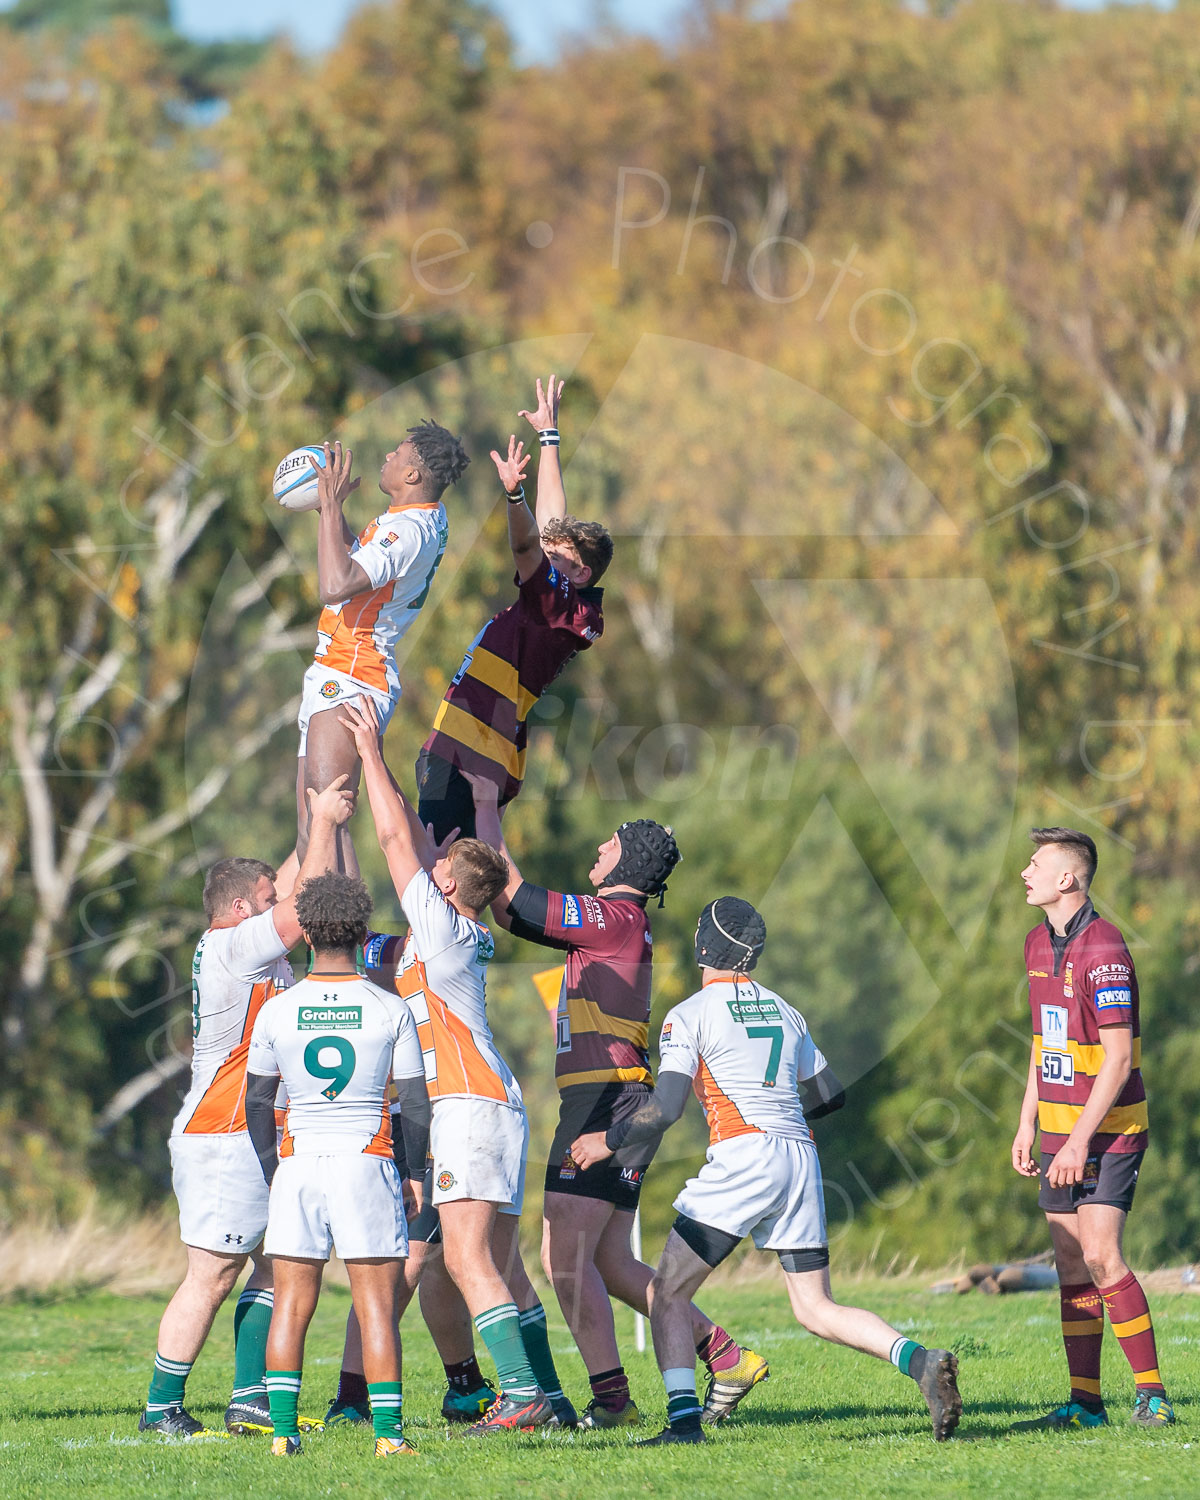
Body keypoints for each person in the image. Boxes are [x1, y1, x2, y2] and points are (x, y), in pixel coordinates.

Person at [572, 897, 963, 1446]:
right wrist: (773, 1106)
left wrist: (605, 1141)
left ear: (703, 948)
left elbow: (665, 1108)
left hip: (744, 1154)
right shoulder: (784, 1008)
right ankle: (920, 1360)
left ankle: (684, 1423)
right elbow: (829, 1095)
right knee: (815, 1306)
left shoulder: (690, 1014)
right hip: (798, 1155)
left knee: (668, 1293)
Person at [470, 779, 767, 1429]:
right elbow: (505, 908)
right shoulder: (618, 924)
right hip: (618, 1095)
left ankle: (614, 1401)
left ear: (626, 862)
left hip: (605, 1100)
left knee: (562, 1261)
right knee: (607, 1260)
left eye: (609, 844)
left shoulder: (610, 918)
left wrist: (487, 807)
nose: (598, 849)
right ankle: (726, 1356)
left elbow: (511, 891)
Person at [341, 698, 574, 1434]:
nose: (426, 865)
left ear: (445, 889)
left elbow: (392, 835)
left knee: (468, 1258)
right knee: (494, 1267)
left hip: (467, 1105)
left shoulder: (440, 930)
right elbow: (373, 885)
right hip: (490, 1103)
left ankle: (521, 1394)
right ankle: (550, 1394)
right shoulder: (452, 937)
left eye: (436, 867)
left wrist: (371, 754)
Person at [138, 778, 355, 1440]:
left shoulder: (242, 936)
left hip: (253, 1130)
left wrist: (316, 802)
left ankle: (250, 1398)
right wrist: (321, 821)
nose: (275, 908)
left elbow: (296, 877)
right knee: (213, 1274)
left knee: (276, 1260)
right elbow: (302, 906)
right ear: (237, 908)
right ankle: (160, 1408)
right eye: (263, 902)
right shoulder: (235, 944)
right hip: (224, 1131)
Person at [244, 871, 431, 1458]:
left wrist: (276, 1172)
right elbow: (417, 1102)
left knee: (292, 1304)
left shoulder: (278, 1010)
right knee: (375, 1305)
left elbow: (255, 1101)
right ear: (360, 934)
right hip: (365, 1161)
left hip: (299, 1164)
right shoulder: (389, 1007)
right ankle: (388, 1438)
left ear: (305, 935)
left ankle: (282, 1435)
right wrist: (416, 1174)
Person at [1010, 827, 1173, 1429]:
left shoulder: (1104, 949)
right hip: (1056, 1133)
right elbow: (1043, 1041)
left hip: (1107, 1132)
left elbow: (1119, 1058)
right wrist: (1027, 1123)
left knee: (1103, 1257)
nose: (1025, 872)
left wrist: (1079, 1139)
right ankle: (1086, 1404)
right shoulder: (1034, 944)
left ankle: (1153, 1396)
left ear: (1067, 879)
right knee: (1072, 1266)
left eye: (1036, 863)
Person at [417, 376, 610, 842]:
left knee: (437, 869)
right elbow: (550, 526)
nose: (549, 552)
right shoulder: (569, 600)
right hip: (487, 743)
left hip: (472, 746)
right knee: (453, 870)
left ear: (580, 572)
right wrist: (549, 436)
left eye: (558, 553)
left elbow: (527, 542)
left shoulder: (556, 603)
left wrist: (513, 496)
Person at [296, 423, 468, 862]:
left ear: (413, 476)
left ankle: (347, 933)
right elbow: (363, 570)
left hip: (352, 676)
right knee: (315, 832)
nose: (387, 457)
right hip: (343, 669)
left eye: (396, 454)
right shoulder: (422, 518)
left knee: (323, 829)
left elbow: (335, 584)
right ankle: (337, 931)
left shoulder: (407, 530)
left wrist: (333, 504)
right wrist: (327, 512)